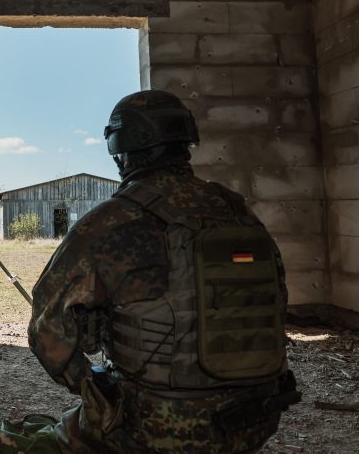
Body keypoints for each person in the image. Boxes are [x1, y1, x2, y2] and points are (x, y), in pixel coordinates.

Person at [28, 89, 299, 453]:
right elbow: (277, 299)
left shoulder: (108, 224)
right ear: (185, 142)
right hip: (254, 419)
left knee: (49, 438)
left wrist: (92, 387)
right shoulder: (235, 210)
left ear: (121, 152)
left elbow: (47, 333)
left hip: (158, 428)